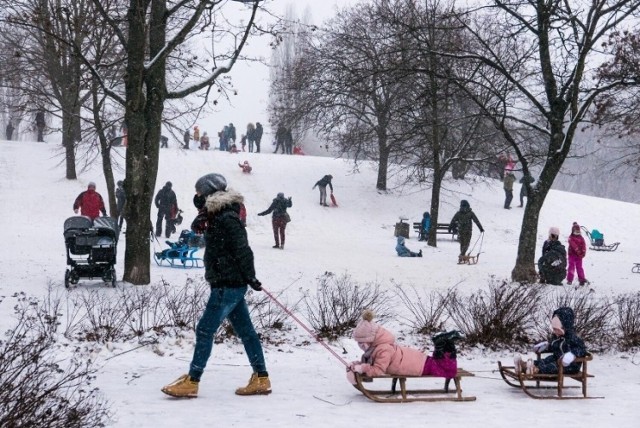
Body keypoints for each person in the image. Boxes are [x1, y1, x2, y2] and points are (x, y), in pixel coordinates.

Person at [161, 173, 269, 398]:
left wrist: (250, 276)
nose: (196, 197)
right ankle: (261, 378)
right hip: (230, 283)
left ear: (209, 193)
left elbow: (242, 249)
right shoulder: (217, 216)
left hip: (227, 284)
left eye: (199, 193)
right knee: (247, 333)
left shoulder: (226, 218)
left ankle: (192, 381)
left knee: (205, 329)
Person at [346, 310, 459, 384]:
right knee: (440, 365)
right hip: (417, 361)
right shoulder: (380, 347)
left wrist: (362, 368)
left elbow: (378, 370)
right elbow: (374, 365)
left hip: (418, 365)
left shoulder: (383, 349)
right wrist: (357, 365)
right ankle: (443, 344)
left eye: (362, 343)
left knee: (449, 371)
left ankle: (444, 345)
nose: (361, 346)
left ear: (370, 340)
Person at [513, 307, 586, 376]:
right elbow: (555, 346)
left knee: (551, 366)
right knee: (544, 361)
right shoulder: (558, 337)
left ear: (565, 327)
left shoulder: (574, 338)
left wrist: (572, 355)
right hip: (557, 359)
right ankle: (524, 365)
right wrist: (546, 346)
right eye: (554, 329)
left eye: (557, 329)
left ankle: (535, 369)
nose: (554, 332)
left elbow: (582, 349)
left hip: (570, 366)